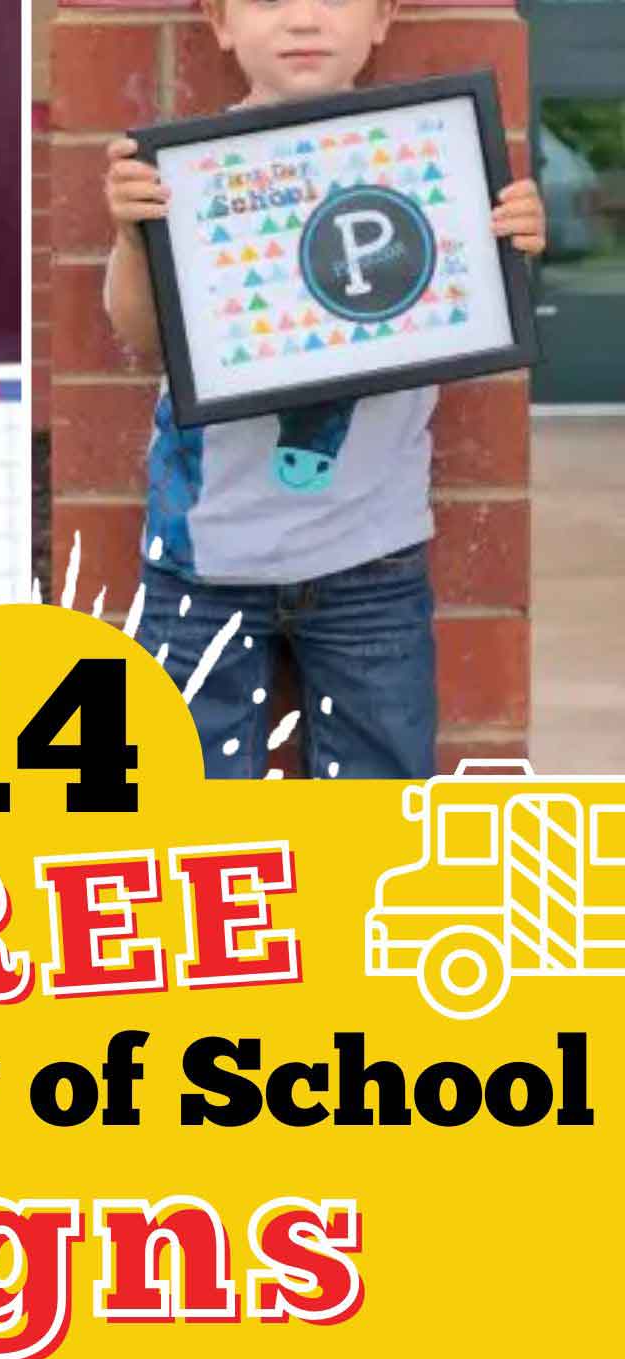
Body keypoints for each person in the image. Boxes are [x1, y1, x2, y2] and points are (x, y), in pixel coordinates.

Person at [105, 0, 546, 779]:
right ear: (220, 21)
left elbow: (469, 304)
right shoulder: (186, 178)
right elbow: (144, 337)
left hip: (371, 553)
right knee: (184, 800)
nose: (304, 18)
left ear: (382, 18)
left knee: (380, 800)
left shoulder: (431, 162)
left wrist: (509, 242)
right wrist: (132, 238)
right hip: (206, 554)